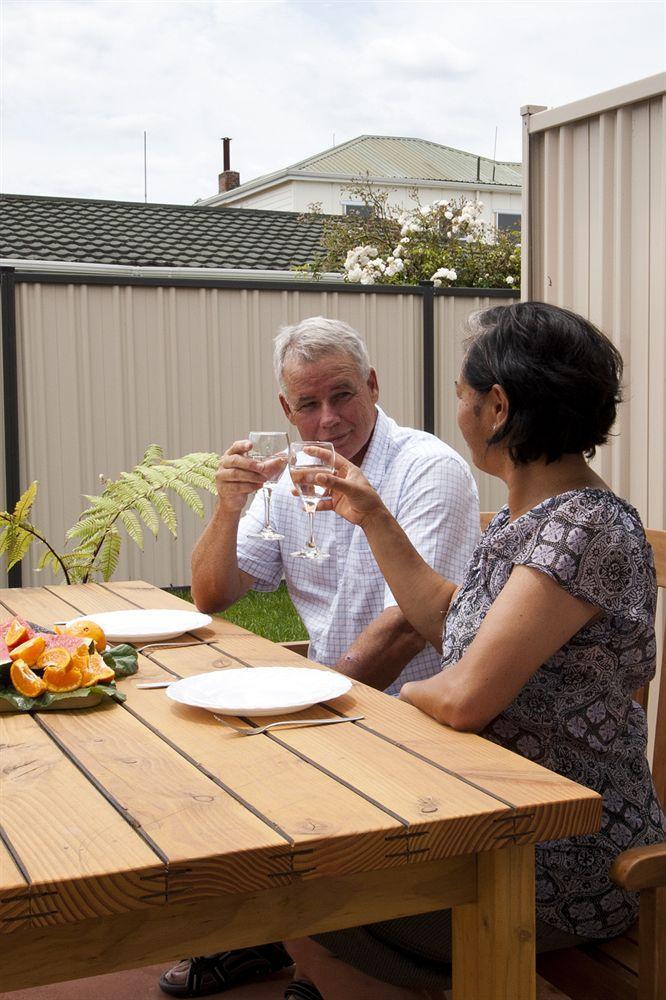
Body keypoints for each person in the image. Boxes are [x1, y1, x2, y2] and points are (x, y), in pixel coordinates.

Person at [279, 301, 666, 1000]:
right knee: (305, 863)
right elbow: (452, 620)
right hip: (491, 816)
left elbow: (460, 698)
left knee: (304, 886)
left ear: (497, 407)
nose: (455, 409)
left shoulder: (580, 528)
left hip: (560, 856)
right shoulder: (533, 518)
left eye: (461, 393)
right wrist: (370, 512)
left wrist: (365, 704)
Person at [159, 316, 480, 997]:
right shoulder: (291, 479)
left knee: (246, 754)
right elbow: (213, 595)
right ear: (287, 410)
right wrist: (226, 507)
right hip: (338, 701)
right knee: (188, 751)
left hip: (421, 724)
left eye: (342, 395)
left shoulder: (427, 470)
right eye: (308, 404)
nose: (327, 419)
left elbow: (405, 633)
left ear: (372, 384)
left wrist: (304, 714)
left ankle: (322, 958)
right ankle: (268, 940)